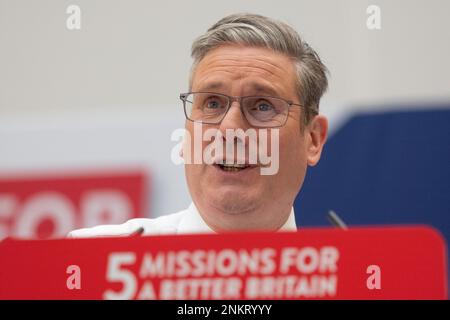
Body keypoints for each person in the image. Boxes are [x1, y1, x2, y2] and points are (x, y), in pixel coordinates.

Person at [68, 13, 328, 238]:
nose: (229, 129)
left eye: (262, 106)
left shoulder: (351, 277)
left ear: (313, 139)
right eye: (213, 104)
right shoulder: (93, 261)